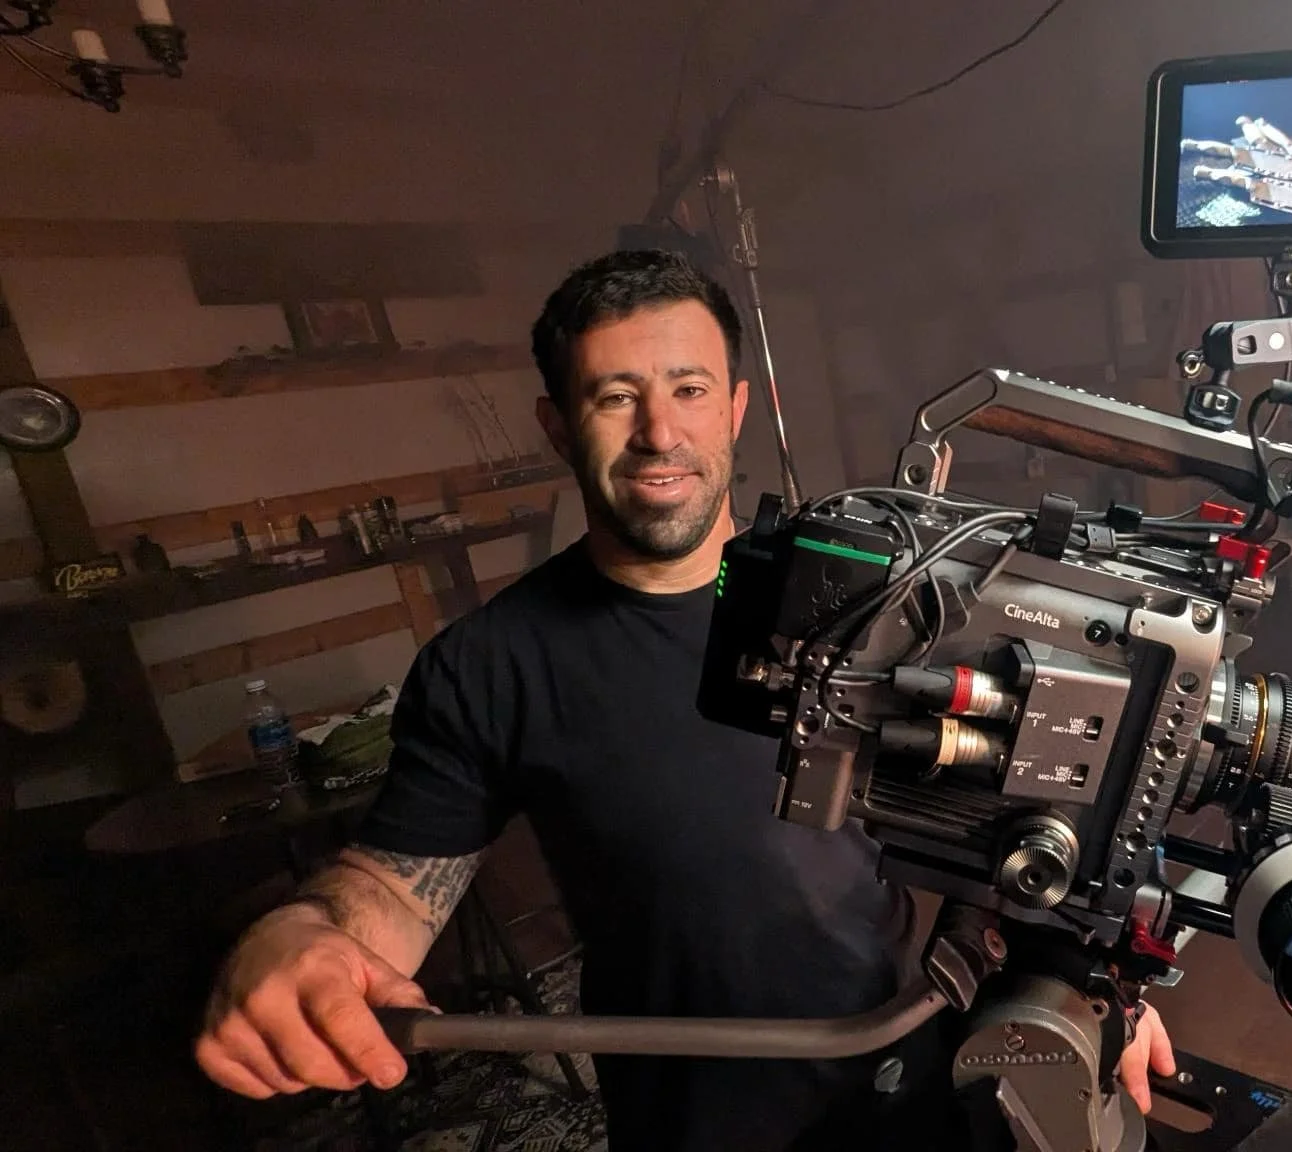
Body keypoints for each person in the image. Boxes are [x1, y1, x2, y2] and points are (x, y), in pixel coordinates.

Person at [193, 248, 1175, 1151]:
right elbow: (393, 886)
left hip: (907, 1074)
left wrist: (1086, 991)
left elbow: (1032, 811)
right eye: (614, 397)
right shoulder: (491, 663)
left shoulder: (878, 604)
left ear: (735, 408)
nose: (659, 433)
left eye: (688, 389)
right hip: (691, 1120)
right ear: (554, 422)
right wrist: (298, 934)